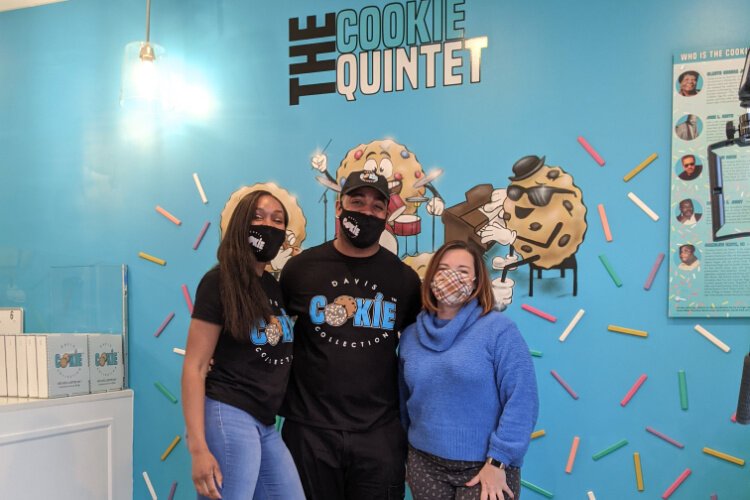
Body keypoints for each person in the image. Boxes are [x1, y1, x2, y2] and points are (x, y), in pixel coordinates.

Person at [279, 170, 422, 500]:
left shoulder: (403, 280)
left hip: (379, 434)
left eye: (376, 207)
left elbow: (425, 347)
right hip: (309, 430)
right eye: (357, 202)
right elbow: (271, 331)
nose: (366, 212)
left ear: (387, 215)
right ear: (339, 208)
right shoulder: (300, 269)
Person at [181, 190, 305, 500]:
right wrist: (197, 447)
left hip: (265, 421)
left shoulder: (273, 287)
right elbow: (195, 366)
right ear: (240, 223)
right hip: (230, 411)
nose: (268, 225)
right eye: (259, 216)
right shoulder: (218, 282)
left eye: (278, 221)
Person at [399, 240, 539, 500]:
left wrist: (499, 461)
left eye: (463, 271)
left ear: (476, 281)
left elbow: (523, 400)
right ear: (430, 277)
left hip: (488, 467)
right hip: (425, 464)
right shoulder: (409, 336)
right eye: (443, 268)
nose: (452, 277)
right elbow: (403, 402)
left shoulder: (499, 330)